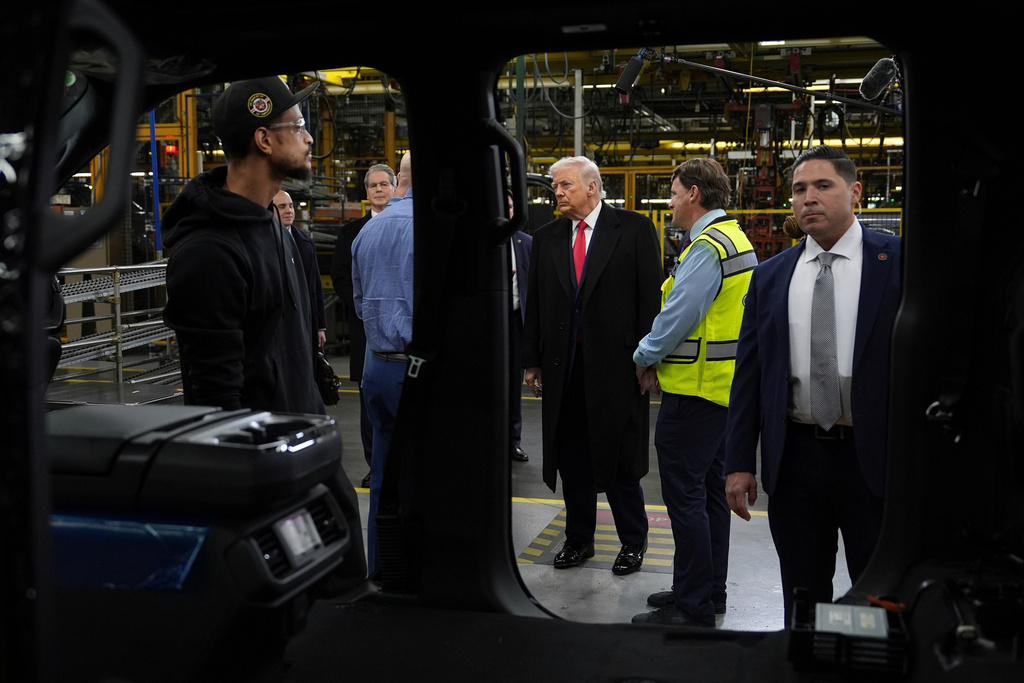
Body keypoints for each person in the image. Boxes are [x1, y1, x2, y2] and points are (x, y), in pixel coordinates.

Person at [161, 75, 366, 588]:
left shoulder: (271, 225)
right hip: (271, 483)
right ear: (265, 140)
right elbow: (216, 405)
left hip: (307, 455)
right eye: (299, 127)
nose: (311, 138)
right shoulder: (209, 252)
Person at [724, 145, 902, 625]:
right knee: (803, 594)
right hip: (797, 460)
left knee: (881, 592)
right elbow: (749, 378)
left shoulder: (900, 264)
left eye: (823, 186)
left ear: (856, 193)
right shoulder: (770, 277)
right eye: (799, 189)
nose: (809, 199)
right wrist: (739, 463)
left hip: (877, 459)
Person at [631, 159, 757, 627]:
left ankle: (692, 607)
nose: (669, 201)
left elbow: (678, 314)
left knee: (684, 500)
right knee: (710, 499)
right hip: (723, 394)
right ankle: (707, 591)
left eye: (673, 191)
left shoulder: (706, 247)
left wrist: (644, 356)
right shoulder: (735, 238)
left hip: (695, 393)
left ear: (694, 195)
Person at [522, 155, 662, 575]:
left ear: (592, 187)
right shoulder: (546, 237)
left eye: (565, 186)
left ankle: (632, 542)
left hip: (619, 367)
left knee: (620, 460)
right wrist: (533, 360)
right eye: (555, 187)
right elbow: (536, 302)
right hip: (563, 367)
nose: (558, 193)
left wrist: (648, 360)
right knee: (572, 458)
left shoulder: (634, 230)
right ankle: (579, 539)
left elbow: (649, 301)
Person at [351, 151, 413, 574]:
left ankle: (381, 568)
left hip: (377, 366)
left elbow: (358, 305)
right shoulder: (429, 229)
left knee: (384, 472)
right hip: (418, 369)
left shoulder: (366, 234)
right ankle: (418, 571)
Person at [330, 163, 397, 486]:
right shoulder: (350, 233)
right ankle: (376, 465)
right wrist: (365, 310)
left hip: (402, 335)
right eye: (373, 185)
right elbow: (341, 278)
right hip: (366, 330)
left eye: (385, 183)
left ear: (395, 188)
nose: (379, 189)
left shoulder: (409, 229)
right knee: (370, 402)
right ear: (366, 193)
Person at [274, 189, 327, 348]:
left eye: (291, 206)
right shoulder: (261, 242)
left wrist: (320, 326)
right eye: (282, 206)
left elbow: (315, 285)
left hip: (305, 320)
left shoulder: (305, 243)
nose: (289, 211)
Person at [508, 191, 532, 462]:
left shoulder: (526, 244)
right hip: (487, 325)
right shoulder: (478, 243)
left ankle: (512, 440)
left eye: (512, 205)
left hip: (516, 322)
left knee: (514, 386)